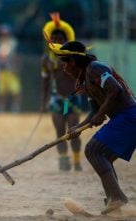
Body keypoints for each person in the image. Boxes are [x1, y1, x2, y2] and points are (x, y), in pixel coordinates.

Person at [47, 40, 136, 214]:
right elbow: (95, 112)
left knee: (93, 151)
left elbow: (114, 90)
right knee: (103, 156)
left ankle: (117, 197)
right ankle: (113, 202)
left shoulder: (95, 68)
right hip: (123, 119)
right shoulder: (84, 80)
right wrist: (77, 128)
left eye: (65, 63)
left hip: (129, 117)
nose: (64, 68)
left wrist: (99, 114)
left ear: (73, 62)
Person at [41, 13, 83, 171]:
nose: (58, 41)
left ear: (67, 40)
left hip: (72, 99)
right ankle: (64, 159)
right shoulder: (47, 60)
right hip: (57, 99)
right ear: (50, 40)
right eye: (55, 38)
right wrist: (43, 102)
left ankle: (77, 160)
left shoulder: (75, 57)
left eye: (61, 38)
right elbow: (45, 81)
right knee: (59, 131)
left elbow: (83, 76)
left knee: (74, 131)